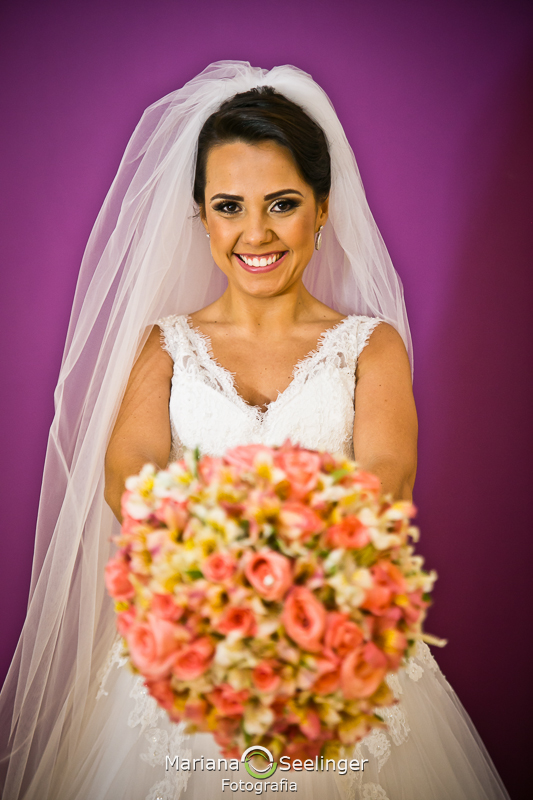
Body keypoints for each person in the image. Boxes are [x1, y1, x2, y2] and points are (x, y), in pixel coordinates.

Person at [0, 62, 509, 800]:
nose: (255, 233)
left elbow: (386, 479)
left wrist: (289, 588)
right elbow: (129, 473)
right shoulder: (159, 345)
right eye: (228, 206)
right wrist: (220, 586)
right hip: (190, 641)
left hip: (336, 640)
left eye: (281, 204)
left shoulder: (372, 346)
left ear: (322, 208)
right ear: (201, 216)